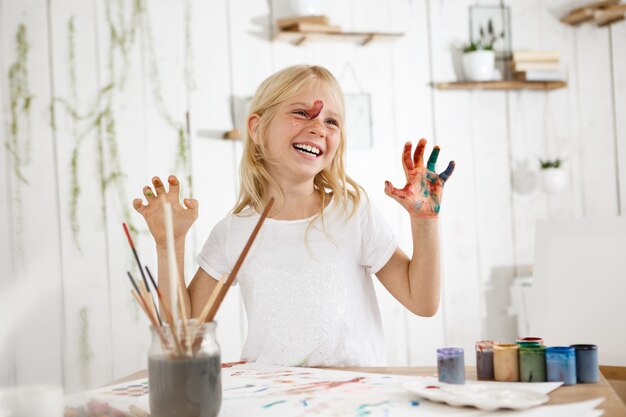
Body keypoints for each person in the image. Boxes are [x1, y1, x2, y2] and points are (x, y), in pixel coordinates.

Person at [132, 64, 455, 367]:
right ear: (257, 129)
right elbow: (182, 334)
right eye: (302, 113)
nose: (318, 128)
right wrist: (169, 244)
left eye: (332, 121)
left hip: (355, 401)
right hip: (274, 400)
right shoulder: (235, 231)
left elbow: (423, 302)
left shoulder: (353, 213)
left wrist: (424, 221)